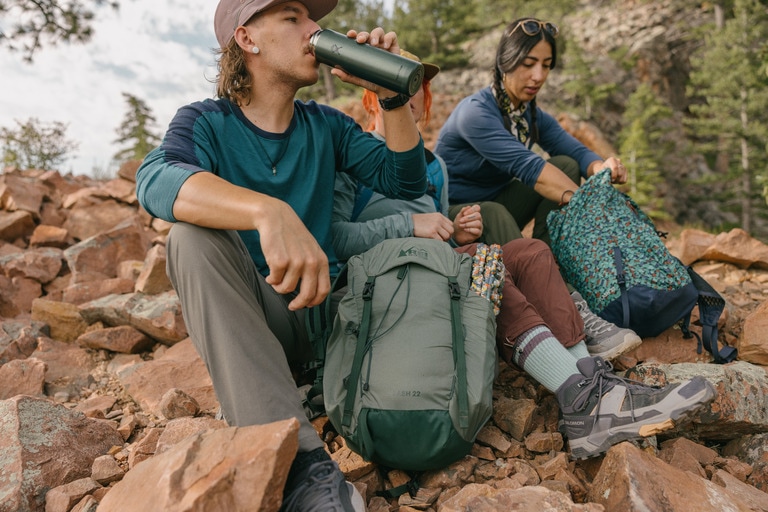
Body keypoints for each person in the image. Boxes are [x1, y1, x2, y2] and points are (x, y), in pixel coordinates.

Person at [333, 50, 715, 461]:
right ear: (374, 98)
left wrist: (453, 229)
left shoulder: (434, 167)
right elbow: (336, 240)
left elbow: (437, 235)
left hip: (437, 274)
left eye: (416, 88)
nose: (409, 98)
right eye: (396, 88)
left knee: (531, 251)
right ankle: (585, 399)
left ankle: (589, 385)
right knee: (482, 259)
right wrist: (410, 227)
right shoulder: (353, 158)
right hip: (389, 285)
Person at [135, 0, 428, 510]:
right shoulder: (206, 122)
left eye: (312, 18)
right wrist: (266, 212)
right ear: (247, 40)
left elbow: (405, 179)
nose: (315, 29)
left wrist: (394, 99)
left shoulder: (327, 125)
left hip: (336, 310)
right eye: (293, 18)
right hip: (269, 316)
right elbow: (156, 180)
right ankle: (299, 468)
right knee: (189, 239)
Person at [434, 17, 629, 247]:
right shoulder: (475, 113)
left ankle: (552, 256)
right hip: (453, 218)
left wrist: (601, 168)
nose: (538, 76)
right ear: (505, 62)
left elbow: (575, 151)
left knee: (565, 164)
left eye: (546, 65)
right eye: (528, 64)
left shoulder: (529, 115)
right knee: (491, 212)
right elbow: (529, 168)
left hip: (496, 202)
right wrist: (588, 205)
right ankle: (533, 271)